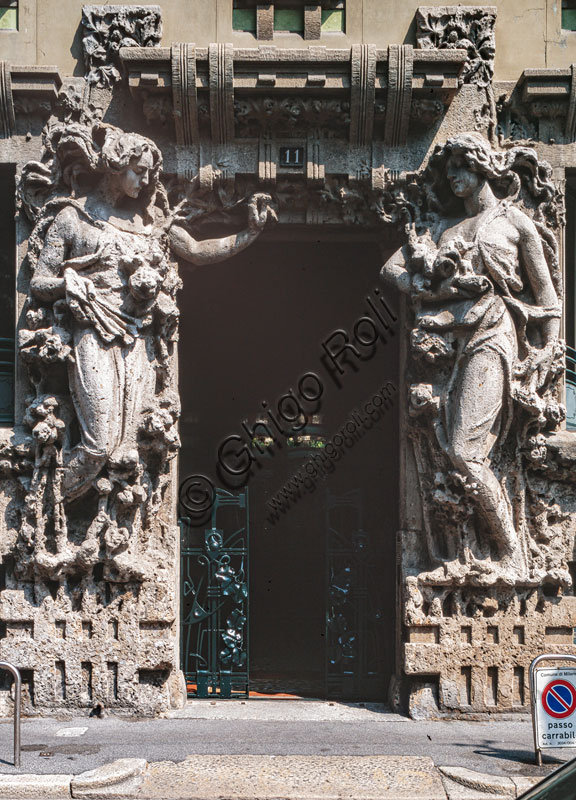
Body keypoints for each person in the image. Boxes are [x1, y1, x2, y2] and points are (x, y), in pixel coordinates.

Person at [25, 122, 274, 501]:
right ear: (116, 165)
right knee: (98, 446)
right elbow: (40, 282)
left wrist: (249, 234)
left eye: (149, 174)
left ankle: (102, 541)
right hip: (92, 332)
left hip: (137, 339)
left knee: (128, 450)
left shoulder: (150, 225)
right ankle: (44, 507)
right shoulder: (72, 219)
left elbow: (198, 252)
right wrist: (68, 283)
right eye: (139, 172)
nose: (145, 181)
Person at [381, 133, 561, 569]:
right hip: (446, 345)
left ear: (482, 167)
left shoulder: (516, 224)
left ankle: (508, 553)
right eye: (449, 172)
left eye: (461, 168)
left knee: (465, 451)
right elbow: (390, 268)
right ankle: (494, 551)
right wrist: (421, 284)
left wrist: (547, 350)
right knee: (451, 450)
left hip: (492, 335)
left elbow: (550, 301)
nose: (454, 178)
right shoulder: (444, 229)